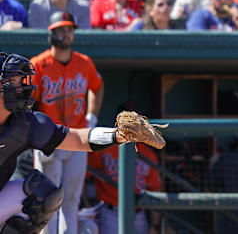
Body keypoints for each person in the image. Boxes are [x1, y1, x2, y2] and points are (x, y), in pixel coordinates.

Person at [0, 51, 157, 233]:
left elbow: (78, 139)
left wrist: (118, 135)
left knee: (41, 192)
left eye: (20, 82)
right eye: (10, 83)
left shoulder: (26, 124)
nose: (19, 88)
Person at [31, 11, 104, 234]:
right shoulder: (39, 64)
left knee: (71, 200)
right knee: (48, 202)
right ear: (51, 32)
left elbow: (97, 87)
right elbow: (28, 105)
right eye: (61, 29)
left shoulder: (84, 63)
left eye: (70, 29)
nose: (66, 34)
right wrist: (37, 138)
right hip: (50, 139)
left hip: (77, 137)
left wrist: (92, 115)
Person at [88, 137, 162, 234]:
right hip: (110, 213)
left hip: (138, 214)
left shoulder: (148, 154)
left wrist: (154, 225)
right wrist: (87, 207)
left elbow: (155, 191)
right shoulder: (105, 148)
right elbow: (82, 177)